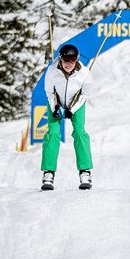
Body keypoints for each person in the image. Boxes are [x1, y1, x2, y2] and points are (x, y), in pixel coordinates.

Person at [41, 44, 93, 190]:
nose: (68, 63)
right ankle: (48, 173)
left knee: (80, 132)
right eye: (65, 59)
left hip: (76, 102)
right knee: (53, 134)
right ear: (60, 58)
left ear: (76, 59)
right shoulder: (52, 71)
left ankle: (85, 171)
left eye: (72, 59)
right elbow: (49, 92)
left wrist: (72, 109)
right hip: (56, 101)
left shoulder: (85, 74)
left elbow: (85, 95)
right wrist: (55, 107)